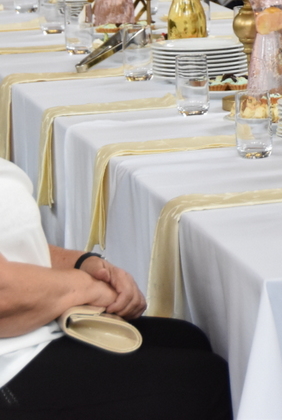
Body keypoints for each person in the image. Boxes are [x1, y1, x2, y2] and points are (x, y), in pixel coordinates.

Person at [0, 158, 232, 418]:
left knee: (189, 339)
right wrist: (86, 288)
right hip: (9, 365)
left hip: (28, 334)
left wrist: (82, 263)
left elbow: (11, 244)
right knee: (204, 381)